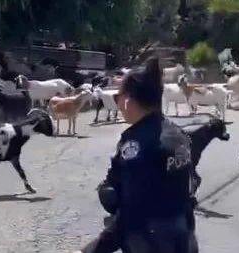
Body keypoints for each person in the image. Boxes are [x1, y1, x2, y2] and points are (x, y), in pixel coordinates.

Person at [78, 57, 198, 253]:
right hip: (183, 241)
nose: (118, 103)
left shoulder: (138, 144)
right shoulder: (179, 134)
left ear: (128, 100)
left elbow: (132, 214)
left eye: (118, 97)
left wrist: (91, 250)